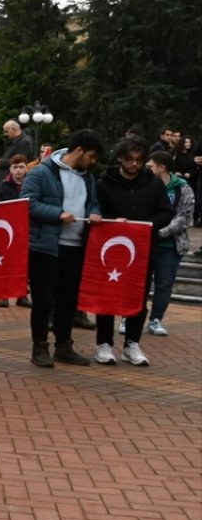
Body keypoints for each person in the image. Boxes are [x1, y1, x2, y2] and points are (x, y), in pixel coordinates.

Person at [19, 130, 104, 368]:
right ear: (78, 151)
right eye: (91, 156)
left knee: (68, 300)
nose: (93, 161)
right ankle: (40, 346)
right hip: (46, 247)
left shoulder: (88, 177)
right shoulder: (41, 172)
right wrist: (57, 215)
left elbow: (93, 202)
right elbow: (27, 203)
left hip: (75, 248)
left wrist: (95, 212)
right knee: (43, 300)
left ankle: (64, 345)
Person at [92, 138, 173, 366]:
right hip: (111, 249)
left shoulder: (154, 184)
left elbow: (166, 212)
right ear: (120, 158)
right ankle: (104, 344)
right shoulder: (104, 183)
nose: (135, 164)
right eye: (130, 159)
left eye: (139, 160)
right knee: (108, 295)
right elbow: (97, 211)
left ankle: (132, 344)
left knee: (138, 295)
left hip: (143, 248)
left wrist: (143, 224)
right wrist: (112, 221)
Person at [145, 150, 194, 336]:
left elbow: (184, 216)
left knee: (164, 283)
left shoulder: (182, 187)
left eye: (150, 166)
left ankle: (156, 319)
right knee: (139, 282)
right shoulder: (146, 185)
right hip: (146, 241)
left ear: (161, 167)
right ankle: (130, 317)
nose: (146, 169)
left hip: (171, 245)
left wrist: (162, 232)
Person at [0, 154, 34, 309]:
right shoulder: (2, 186)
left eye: (21, 167)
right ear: (10, 169)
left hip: (26, 230)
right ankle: (3, 295)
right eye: (15, 167)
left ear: (26, 168)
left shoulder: (31, 185)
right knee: (5, 263)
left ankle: (21, 294)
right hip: (7, 230)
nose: (18, 171)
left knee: (23, 264)